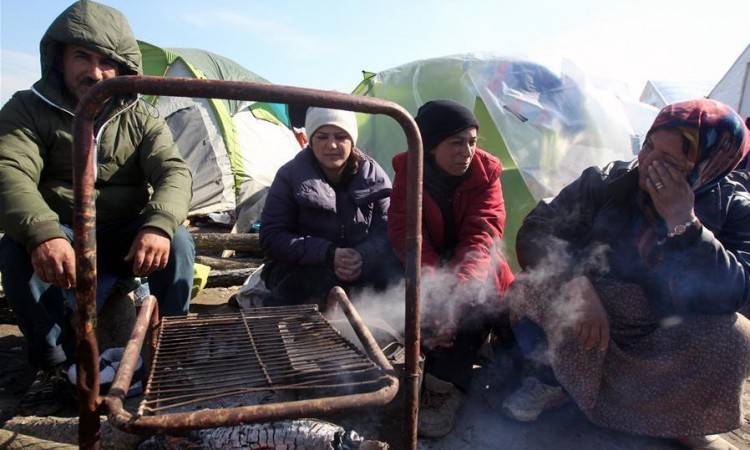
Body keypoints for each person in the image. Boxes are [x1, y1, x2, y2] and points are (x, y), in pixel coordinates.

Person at [503, 99, 750, 450]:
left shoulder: (734, 207)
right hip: (591, 319)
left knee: (736, 336)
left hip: (666, 332)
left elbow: (738, 293)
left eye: (669, 161)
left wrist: (685, 225)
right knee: (533, 287)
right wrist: (575, 281)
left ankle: (680, 418)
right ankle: (552, 382)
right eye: (649, 146)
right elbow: (535, 231)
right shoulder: (606, 180)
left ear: (708, 167)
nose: (649, 163)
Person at [0, 0, 194, 416]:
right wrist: (44, 233)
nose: (95, 72)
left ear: (123, 68)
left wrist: (158, 225)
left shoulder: (140, 117)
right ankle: (55, 363)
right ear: (59, 58)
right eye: (82, 56)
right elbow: (8, 170)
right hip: (64, 231)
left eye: (108, 61)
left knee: (178, 242)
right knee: (14, 251)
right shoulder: (26, 108)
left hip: (124, 232)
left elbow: (175, 172)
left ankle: (167, 352)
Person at [387, 99, 515, 438]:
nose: (467, 151)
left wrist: (455, 296)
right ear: (430, 145)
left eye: (472, 141)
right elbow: (406, 235)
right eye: (456, 142)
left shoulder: (487, 174)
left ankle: (444, 386)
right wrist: (435, 292)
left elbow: (482, 236)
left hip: (476, 268)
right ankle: (436, 355)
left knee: (473, 301)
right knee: (416, 299)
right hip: (430, 266)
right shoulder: (409, 172)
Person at [259, 107, 396, 310]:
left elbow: (389, 232)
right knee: (312, 279)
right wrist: (328, 254)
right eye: (322, 137)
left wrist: (362, 256)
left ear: (352, 141)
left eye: (341, 137)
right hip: (301, 267)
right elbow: (272, 236)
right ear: (311, 140)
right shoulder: (290, 176)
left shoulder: (373, 176)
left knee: (396, 277)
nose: (331, 145)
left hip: (359, 266)